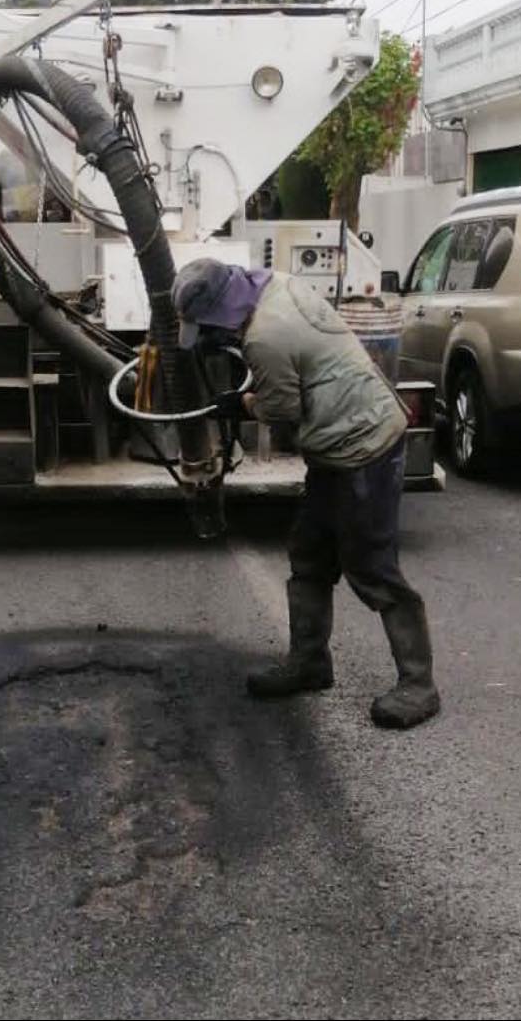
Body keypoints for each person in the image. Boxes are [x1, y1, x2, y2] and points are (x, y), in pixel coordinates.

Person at [173, 259, 441, 730]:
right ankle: (310, 662)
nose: (211, 336)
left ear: (220, 315)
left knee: (372, 567)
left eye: (208, 328)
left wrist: (242, 403)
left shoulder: (263, 338)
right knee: (310, 554)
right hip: (340, 444)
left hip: (364, 446)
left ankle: (419, 684)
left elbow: (281, 408)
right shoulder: (281, 285)